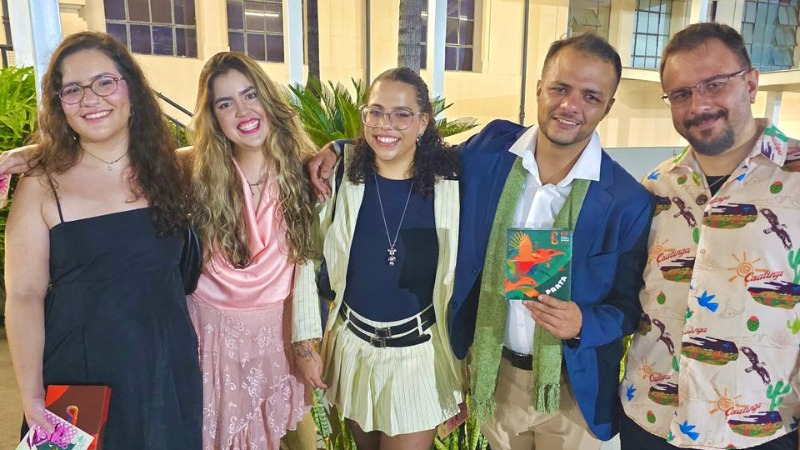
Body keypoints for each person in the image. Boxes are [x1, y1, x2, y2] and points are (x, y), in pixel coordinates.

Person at [307, 33, 653, 450]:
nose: (570, 105)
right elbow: (409, 148)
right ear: (539, 87)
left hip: (569, 387)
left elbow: (630, 307)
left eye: (591, 96)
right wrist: (342, 149)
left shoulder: (626, 198)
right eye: (560, 88)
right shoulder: (490, 151)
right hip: (497, 375)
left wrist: (584, 322)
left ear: (608, 106)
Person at [3, 31, 202, 448]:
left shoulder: (173, 168)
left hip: (165, 369)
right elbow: (23, 294)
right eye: (72, 89)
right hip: (79, 380)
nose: (90, 98)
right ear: (60, 105)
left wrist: (339, 150)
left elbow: (251, 147)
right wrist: (32, 393)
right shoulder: (41, 184)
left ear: (131, 89)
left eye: (104, 82)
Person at [620, 22, 800, 450]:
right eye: (681, 93)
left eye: (715, 84)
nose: (698, 104)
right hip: (650, 419)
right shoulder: (655, 186)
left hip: (758, 429)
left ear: (751, 83)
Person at [292, 67, 463, 450]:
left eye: (402, 114)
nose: (386, 124)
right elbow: (306, 255)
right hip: (354, 350)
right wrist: (305, 343)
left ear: (423, 122)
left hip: (418, 356)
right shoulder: (341, 177)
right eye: (376, 111)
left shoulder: (452, 182)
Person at [185, 51, 316, 450]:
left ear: (267, 99)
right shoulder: (192, 172)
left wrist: (306, 344)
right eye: (226, 103)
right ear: (214, 118)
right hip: (210, 338)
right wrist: (34, 155)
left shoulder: (307, 172)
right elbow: (115, 162)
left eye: (249, 95)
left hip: (278, 337)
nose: (242, 111)